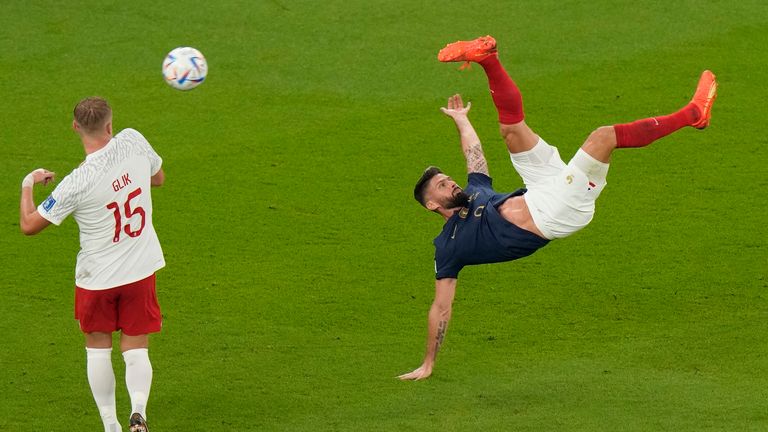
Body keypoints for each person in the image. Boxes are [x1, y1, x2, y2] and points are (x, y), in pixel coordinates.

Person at [398, 36, 717, 381]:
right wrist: (429, 362)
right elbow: (441, 307)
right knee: (602, 137)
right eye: (443, 186)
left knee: (511, 131)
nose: (452, 184)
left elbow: (473, 153)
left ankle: (488, 59)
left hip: (541, 188)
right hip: (555, 213)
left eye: (448, 179)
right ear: (432, 204)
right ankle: (693, 114)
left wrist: (461, 120)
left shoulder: (476, 191)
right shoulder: (449, 247)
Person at [19, 97, 166, 431]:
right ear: (110, 125)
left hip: (96, 280)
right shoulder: (133, 140)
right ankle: (138, 412)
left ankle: (110, 426)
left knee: (98, 351)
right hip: (140, 271)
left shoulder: (75, 183)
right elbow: (158, 179)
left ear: (75, 128)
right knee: (136, 347)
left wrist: (27, 183)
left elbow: (29, 225)